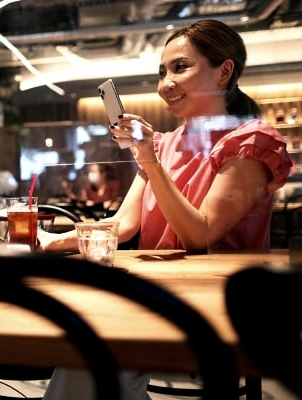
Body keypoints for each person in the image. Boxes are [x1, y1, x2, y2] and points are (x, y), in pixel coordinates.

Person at [38, 19, 293, 399]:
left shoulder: (251, 142)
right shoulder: (163, 143)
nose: (164, 84)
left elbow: (201, 236)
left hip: (220, 303)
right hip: (160, 292)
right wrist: (47, 242)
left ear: (224, 71)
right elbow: (122, 226)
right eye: (162, 72)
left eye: (180, 68)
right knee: (85, 344)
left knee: (92, 351)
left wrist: (150, 160)